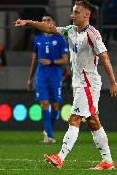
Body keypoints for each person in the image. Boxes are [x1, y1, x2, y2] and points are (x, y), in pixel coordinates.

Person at [14, 0, 117, 170]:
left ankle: (60, 157)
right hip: (79, 84)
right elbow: (49, 28)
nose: (72, 15)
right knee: (93, 121)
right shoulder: (70, 31)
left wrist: (113, 82)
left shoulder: (92, 34)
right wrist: (28, 22)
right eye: (72, 11)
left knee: (74, 118)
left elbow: (105, 57)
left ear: (87, 15)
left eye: (76, 12)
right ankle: (107, 161)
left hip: (88, 84)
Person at [27, 13, 69, 143]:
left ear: (53, 23)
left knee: (55, 107)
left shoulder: (61, 39)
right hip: (41, 77)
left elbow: (65, 60)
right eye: (43, 20)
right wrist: (30, 78)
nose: (45, 22)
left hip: (55, 77)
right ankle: (49, 136)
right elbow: (34, 60)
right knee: (44, 104)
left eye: (48, 20)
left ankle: (47, 129)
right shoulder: (38, 39)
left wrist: (51, 62)